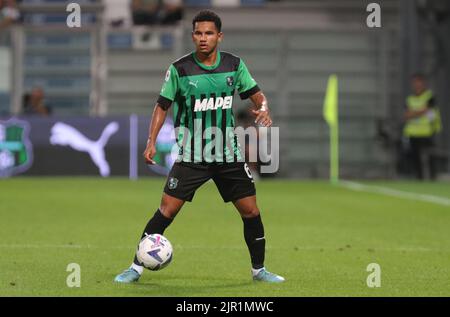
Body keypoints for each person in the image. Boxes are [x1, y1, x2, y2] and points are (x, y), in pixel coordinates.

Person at [114, 10, 284, 283]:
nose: (203, 38)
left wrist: (263, 108)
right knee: (166, 211)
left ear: (219, 36)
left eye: (209, 33)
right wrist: (151, 141)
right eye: (198, 33)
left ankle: (259, 270)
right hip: (193, 155)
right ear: (192, 35)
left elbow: (257, 96)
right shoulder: (180, 69)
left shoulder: (234, 65)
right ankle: (135, 268)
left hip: (228, 153)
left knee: (251, 211)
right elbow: (162, 105)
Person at [403, 74, 442, 180]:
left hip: (427, 131)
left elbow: (426, 110)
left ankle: (432, 178)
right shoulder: (410, 98)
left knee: (430, 157)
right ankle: (419, 178)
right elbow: (406, 115)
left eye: (419, 82)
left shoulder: (429, 96)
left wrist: (414, 112)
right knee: (415, 157)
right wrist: (419, 111)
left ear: (424, 83)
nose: (417, 84)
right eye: (415, 82)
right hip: (413, 132)